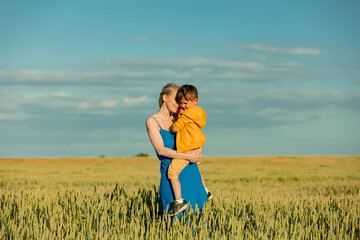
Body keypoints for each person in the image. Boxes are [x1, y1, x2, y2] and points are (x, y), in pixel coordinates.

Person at [146, 83, 208, 218]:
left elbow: (197, 136)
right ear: (164, 97)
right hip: (171, 176)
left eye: (181, 101)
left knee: (197, 221)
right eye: (176, 99)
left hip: (191, 172)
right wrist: (188, 156)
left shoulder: (180, 118)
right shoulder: (152, 121)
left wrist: (197, 152)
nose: (179, 104)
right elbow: (161, 150)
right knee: (175, 223)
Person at [167, 84, 212, 216]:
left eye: (185, 103)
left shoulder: (186, 115)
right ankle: (205, 191)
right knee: (197, 170)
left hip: (188, 148)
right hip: (198, 146)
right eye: (180, 103)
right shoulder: (198, 113)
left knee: (172, 172)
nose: (182, 106)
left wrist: (174, 122)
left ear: (195, 101)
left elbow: (174, 128)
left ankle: (179, 201)